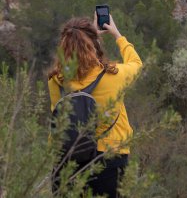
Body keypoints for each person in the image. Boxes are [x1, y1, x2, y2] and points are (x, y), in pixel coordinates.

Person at [48, 13, 143, 197]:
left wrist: (92, 37)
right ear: (93, 45)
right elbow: (136, 63)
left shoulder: (55, 81)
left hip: (66, 160)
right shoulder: (114, 76)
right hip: (109, 159)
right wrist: (117, 35)